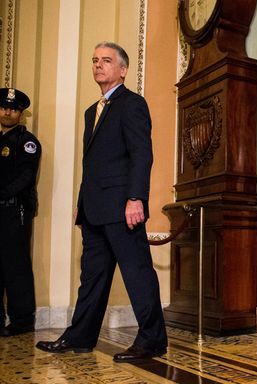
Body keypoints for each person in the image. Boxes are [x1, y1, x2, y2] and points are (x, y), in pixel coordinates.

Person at [36, 41, 167, 361]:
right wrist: (82, 203)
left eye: (106, 61)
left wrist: (136, 197)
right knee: (91, 278)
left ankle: (152, 340)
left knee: (137, 274)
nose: (98, 65)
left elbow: (141, 154)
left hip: (124, 207)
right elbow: (90, 162)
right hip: (95, 209)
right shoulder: (90, 112)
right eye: (95, 60)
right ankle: (80, 337)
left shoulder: (132, 104)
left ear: (122, 70)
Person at [0, 88, 40, 337]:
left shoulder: (26, 142)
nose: (7, 112)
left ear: (20, 113)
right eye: (4, 107)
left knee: (15, 266)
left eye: (13, 109)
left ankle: (22, 321)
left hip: (15, 210)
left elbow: (25, 177)